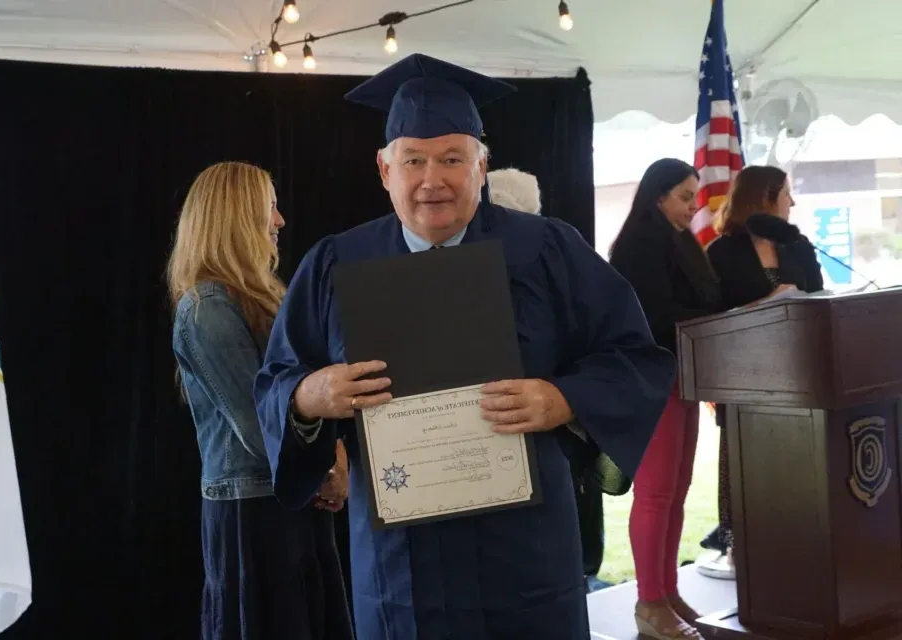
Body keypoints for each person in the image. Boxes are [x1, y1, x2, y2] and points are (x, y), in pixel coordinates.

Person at [253, 53, 677, 639]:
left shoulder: (547, 250)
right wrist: (309, 394)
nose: (434, 179)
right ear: (384, 169)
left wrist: (564, 398)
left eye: (453, 158)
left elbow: (634, 355)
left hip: (524, 550)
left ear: (482, 164)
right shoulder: (336, 263)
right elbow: (277, 379)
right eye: (414, 161)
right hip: (399, 556)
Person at [167, 161, 354, 640]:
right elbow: (260, 427)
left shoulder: (260, 297)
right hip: (252, 516)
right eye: (269, 207)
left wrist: (332, 463)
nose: (279, 222)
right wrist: (325, 471)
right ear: (236, 215)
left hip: (291, 501)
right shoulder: (207, 307)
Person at [608, 158, 723, 640]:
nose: (692, 207)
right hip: (652, 378)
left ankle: (668, 590)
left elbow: (707, 300)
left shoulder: (682, 242)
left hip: (685, 374)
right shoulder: (638, 244)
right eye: (683, 197)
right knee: (656, 493)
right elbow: (653, 312)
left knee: (677, 491)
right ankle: (649, 603)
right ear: (658, 197)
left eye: (694, 197)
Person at [696, 165, 824, 581]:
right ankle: (742, 547)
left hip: (800, 380)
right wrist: (766, 302)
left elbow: (820, 297)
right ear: (766, 198)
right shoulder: (722, 251)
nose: (793, 202)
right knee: (745, 468)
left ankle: (798, 544)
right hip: (745, 379)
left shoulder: (796, 244)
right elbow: (711, 318)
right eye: (786, 194)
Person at [487, 166, 610, 592]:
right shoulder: (441, 279)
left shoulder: (560, 275)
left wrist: (563, 399)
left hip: (549, 464)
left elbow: (604, 359)